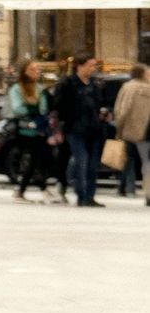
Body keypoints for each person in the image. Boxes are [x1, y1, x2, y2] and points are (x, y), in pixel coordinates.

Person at [53, 50, 107, 207]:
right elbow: (58, 106)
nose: (93, 69)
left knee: (92, 165)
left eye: (94, 66)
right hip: (74, 129)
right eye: (90, 66)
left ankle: (90, 196)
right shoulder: (67, 83)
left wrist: (103, 113)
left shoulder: (94, 84)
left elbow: (100, 103)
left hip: (93, 129)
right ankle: (81, 195)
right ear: (80, 66)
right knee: (81, 161)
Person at [6, 58, 52, 201]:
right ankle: (31, 189)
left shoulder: (39, 88)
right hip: (24, 130)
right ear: (25, 72)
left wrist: (36, 109)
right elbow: (17, 108)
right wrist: (34, 108)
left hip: (39, 128)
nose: (36, 72)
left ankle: (26, 189)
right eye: (32, 69)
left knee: (39, 159)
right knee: (32, 159)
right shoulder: (17, 88)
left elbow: (44, 108)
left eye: (38, 69)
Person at [113, 62, 150, 207]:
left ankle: (128, 188)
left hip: (132, 130)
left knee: (129, 160)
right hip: (146, 131)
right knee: (145, 162)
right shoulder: (146, 88)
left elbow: (121, 110)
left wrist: (119, 129)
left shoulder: (127, 87)